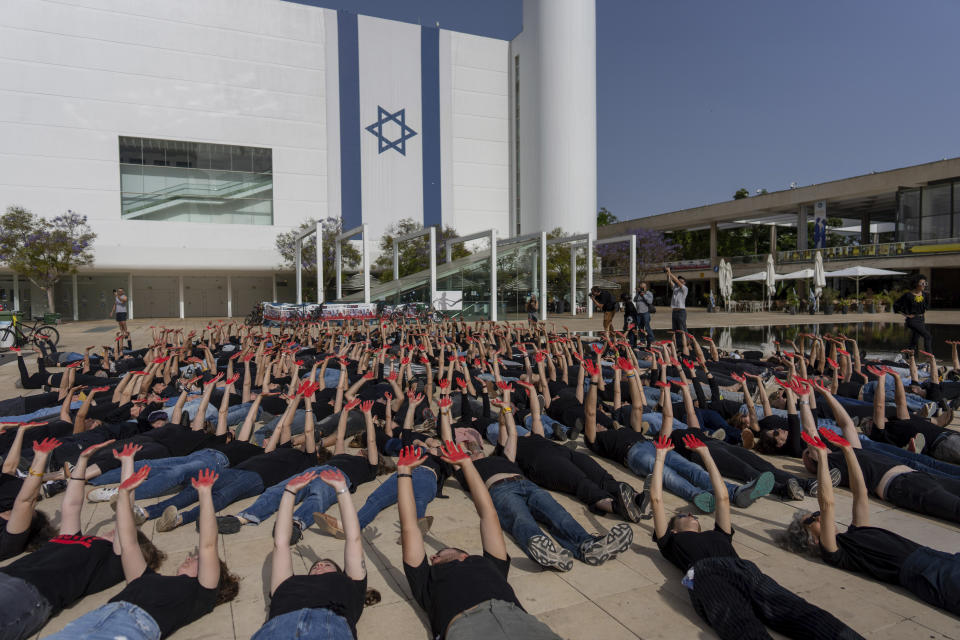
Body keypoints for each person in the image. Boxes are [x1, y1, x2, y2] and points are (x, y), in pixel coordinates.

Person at [650, 433, 862, 640]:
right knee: (742, 627)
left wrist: (705, 454)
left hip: (744, 569)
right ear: (673, 530)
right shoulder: (669, 542)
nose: (689, 514)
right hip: (707, 574)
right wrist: (660, 458)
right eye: (681, 515)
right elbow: (657, 500)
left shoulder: (720, 534)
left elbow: (723, 497)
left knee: (798, 611)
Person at [45, 459, 239, 639]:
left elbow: (208, 545)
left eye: (197, 560)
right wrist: (123, 494)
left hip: (132, 625)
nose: (190, 558)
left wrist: (205, 494)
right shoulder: (145, 577)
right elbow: (128, 542)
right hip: (98, 616)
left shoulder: (202, 593)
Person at [782, 428, 960, 616]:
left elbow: (860, 493)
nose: (818, 516)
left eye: (814, 514)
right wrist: (823, 460)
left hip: (933, 556)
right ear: (812, 540)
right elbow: (827, 504)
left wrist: (848, 451)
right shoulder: (836, 552)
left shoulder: (857, 532)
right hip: (925, 573)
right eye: (811, 519)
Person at [399, 441, 562, 640]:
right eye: (435, 556)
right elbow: (410, 527)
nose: (432, 556)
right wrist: (404, 473)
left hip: (516, 619)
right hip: (466, 626)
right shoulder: (425, 579)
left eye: (436, 554)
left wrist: (467, 465)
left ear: (465, 555)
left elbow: (488, 514)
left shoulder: (490, 565)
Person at [252, 468, 380, 639]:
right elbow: (280, 543)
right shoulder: (287, 583)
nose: (319, 564)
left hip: (327, 627)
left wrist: (342, 489)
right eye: (318, 565)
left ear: (340, 574)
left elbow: (354, 538)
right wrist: (289, 492)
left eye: (326, 565)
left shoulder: (352, 585)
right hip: (280, 628)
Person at [894, 275, 931, 353]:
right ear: (916, 284)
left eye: (925, 283)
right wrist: (906, 315)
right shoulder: (908, 295)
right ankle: (930, 357)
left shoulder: (925, 295)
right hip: (912, 320)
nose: (925, 285)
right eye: (922, 283)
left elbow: (926, 307)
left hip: (921, 319)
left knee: (915, 339)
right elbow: (896, 305)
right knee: (928, 336)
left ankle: (908, 356)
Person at [666, 267, 688, 335]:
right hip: (674, 311)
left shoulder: (685, 288)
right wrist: (667, 273)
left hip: (681, 311)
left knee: (682, 328)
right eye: (679, 280)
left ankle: (687, 343)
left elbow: (677, 281)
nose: (680, 281)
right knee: (675, 329)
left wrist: (670, 272)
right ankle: (677, 343)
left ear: (684, 282)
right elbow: (669, 281)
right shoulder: (675, 288)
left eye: (682, 281)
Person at [634, 282, 655, 347]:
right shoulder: (638, 293)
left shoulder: (649, 293)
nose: (642, 289)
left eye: (643, 287)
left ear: (646, 287)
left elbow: (650, 301)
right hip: (638, 313)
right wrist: (638, 293)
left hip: (645, 312)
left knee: (647, 327)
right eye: (640, 287)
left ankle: (651, 340)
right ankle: (642, 341)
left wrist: (643, 295)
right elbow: (634, 300)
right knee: (640, 328)